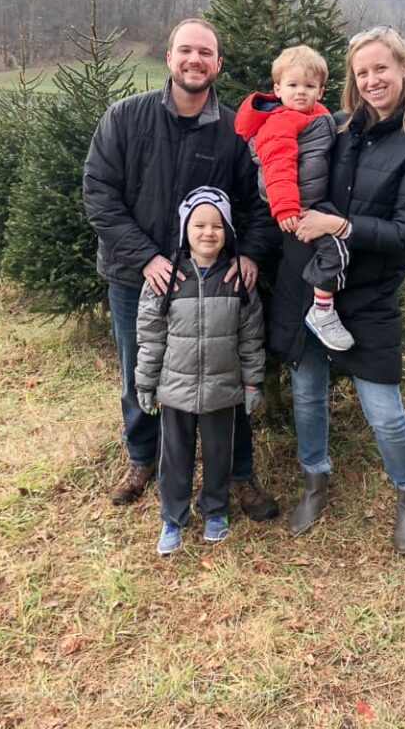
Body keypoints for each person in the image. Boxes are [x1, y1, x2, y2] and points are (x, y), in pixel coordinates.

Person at [83, 18, 278, 520]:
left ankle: (238, 473)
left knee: (223, 371)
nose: (195, 60)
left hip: (211, 283)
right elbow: (99, 195)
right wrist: (146, 257)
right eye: (185, 51)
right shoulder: (125, 118)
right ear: (168, 58)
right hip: (136, 277)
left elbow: (260, 203)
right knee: (138, 368)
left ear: (218, 64)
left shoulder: (234, 131)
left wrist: (251, 254)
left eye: (205, 53)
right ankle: (142, 459)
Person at [270, 26, 405, 554]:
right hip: (306, 284)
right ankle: (314, 480)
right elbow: (274, 153)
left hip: (367, 294)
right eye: (361, 72)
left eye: (380, 69)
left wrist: (337, 226)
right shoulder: (335, 128)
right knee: (307, 394)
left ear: (403, 69)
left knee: (384, 411)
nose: (371, 80)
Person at [135, 187, 265, 555]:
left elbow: (251, 336)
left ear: (228, 232)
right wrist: (146, 382)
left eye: (217, 226)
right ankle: (173, 518)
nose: (209, 233)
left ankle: (216, 510)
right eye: (199, 225)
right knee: (174, 456)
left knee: (219, 453)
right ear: (184, 230)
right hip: (174, 390)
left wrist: (253, 382)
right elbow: (150, 337)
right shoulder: (165, 281)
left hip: (223, 390)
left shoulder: (237, 280)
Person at [234, 45, 354, 352]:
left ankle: (321, 306)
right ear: (277, 89)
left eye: (309, 86)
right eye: (292, 85)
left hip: (311, 201)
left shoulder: (317, 115)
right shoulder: (282, 121)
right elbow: (277, 164)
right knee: (335, 253)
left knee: (337, 251)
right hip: (297, 205)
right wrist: (286, 206)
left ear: (321, 90)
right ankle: (322, 311)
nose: (301, 92)